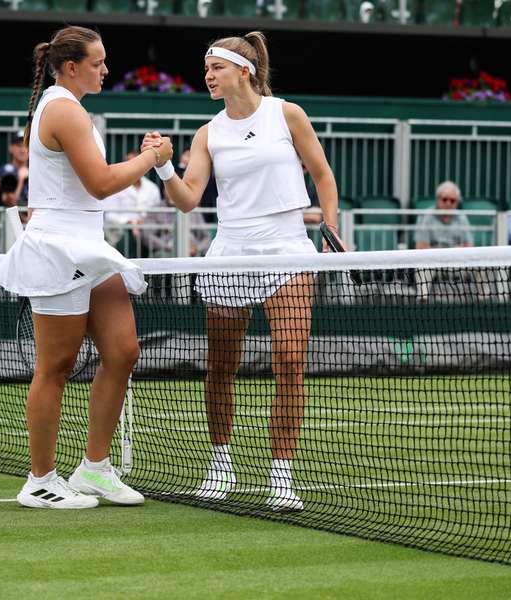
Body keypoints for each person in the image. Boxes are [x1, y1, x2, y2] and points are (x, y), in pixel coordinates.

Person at [142, 31, 340, 512]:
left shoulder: (287, 114)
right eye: (206, 69)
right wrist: (165, 169)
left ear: (244, 70)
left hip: (287, 246)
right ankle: (221, 463)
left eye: (216, 68)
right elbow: (188, 200)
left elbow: (323, 175)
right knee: (221, 368)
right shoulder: (207, 133)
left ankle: (281, 474)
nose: (208, 76)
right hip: (231, 250)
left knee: (291, 361)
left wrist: (330, 228)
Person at [0, 25, 174, 510]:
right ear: (72, 66)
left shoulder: (71, 108)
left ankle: (94, 469)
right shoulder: (63, 110)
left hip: (89, 246)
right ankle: (40, 479)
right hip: (57, 249)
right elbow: (100, 182)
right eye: (98, 62)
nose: (106, 70)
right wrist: (152, 157)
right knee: (56, 365)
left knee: (124, 350)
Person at [413, 181, 474, 301]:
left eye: (452, 201)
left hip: (457, 263)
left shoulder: (462, 218)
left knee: (481, 265)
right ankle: (422, 301)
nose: (448, 203)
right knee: (422, 266)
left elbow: (469, 246)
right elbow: (421, 247)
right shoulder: (426, 217)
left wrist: (455, 253)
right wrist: (443, 253)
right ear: (438, 199)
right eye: (445, 199)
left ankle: (486, 301)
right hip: (434, 262)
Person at [102, 150, 163, 253]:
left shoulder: (153, 188)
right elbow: (109, 214)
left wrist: (143, 223)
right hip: (121, 232)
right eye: (130, 164)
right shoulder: (115, 186)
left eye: (137, 163)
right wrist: (129, 222)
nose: (134, 168)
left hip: (148, 232)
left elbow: (158, 214)